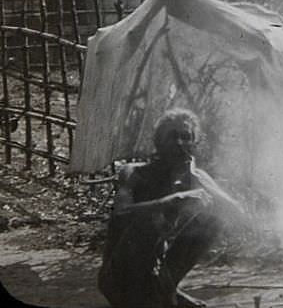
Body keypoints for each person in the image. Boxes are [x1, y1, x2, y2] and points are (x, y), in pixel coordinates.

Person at [98, 108, 245, 308]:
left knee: (212, 221)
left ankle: (165, 291)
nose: (179, 143)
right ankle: (162, 295)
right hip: (119, 279)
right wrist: (172, 200)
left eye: (186, 137)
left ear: (194, 143)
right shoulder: (135, 172)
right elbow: (120, 213)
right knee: (150, 220)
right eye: (172, 136)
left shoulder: (195, 177)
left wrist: (208, 187)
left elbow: (238, 215)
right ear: (158, 141)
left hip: (156, 278)